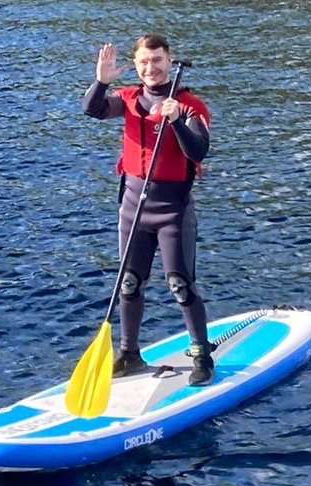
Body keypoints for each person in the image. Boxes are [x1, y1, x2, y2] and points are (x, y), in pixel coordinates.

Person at [82, 33, 214, 385]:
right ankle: (129, 354)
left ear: (169, 61)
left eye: (157, 60)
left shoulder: (188, 106)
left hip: (172, 209)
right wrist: (101, 81)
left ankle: (202, 353)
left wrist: (174, 122)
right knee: (129, 283)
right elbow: (91, 109)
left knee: (180, 284)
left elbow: (199, 151)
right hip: (133, 207)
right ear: (136, 64)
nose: (150, 67)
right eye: (143, 61)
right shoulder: (127, 99)